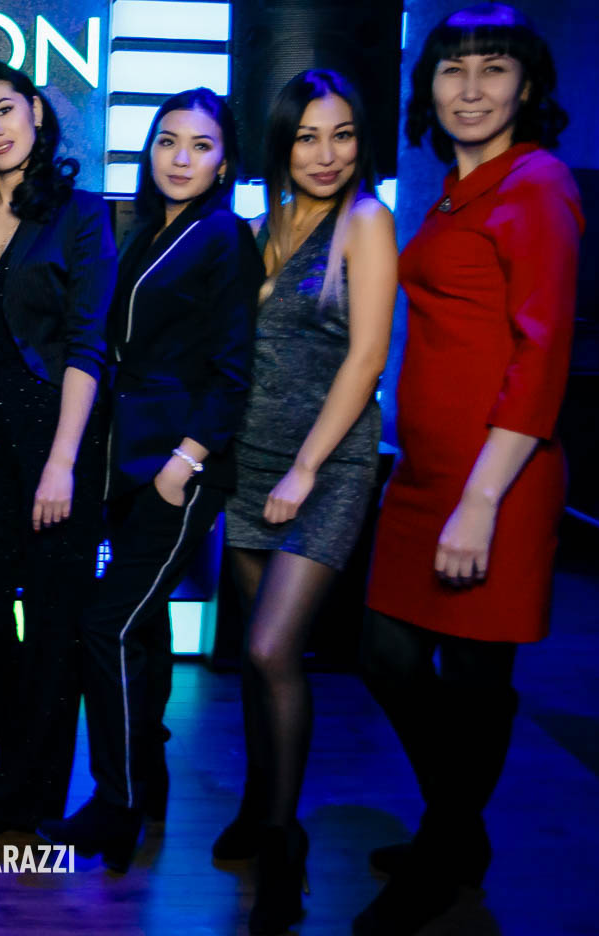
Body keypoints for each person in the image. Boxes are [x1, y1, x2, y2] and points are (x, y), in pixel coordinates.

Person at [354, 4, 581, 936]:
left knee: (477, 680)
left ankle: (442, 854)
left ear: (527, 88)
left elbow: (543, 353)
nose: (473, 88)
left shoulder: (537, 184)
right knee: (386, 653)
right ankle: (458, 830)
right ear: (431, 88)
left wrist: (483, 500)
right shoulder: (456, 191)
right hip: (425, 477)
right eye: (454, 69)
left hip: (498, 482)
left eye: (495, 68)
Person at [40, 88, 265, 873]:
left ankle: (117, 804)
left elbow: (234, 369)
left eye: (200, 145)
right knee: (143, 628)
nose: (180, 157)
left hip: (179, 466)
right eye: (168, 141)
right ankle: (150, 780)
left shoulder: (224, 236)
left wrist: (185, 462)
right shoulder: (145, 231)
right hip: (128, 462)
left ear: (224, 163)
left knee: (107, 625)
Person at [214, 69, 398, 935]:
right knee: (256, 661)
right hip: (249, 465)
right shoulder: (264, 228)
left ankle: (284, 845)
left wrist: (305, 470)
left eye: (343, 134)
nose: (327, 154)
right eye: (307, 137)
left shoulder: (367, 221)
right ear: (282, 146)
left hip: (324, 470)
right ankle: (259, 805)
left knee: (272, 646)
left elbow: (367, 359)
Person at [0, 61, 115, 837]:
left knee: (52, 629)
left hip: (58, 439)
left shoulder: (82, 214)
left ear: (36, 112)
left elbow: (88, 344)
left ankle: (28, 792)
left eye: (5, 111)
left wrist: (63, 462)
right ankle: (22, 773)